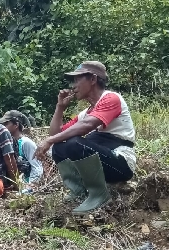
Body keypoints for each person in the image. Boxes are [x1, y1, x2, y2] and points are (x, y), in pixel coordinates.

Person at [34, 61, 136, 215]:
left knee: (74, 143)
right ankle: (78, 191)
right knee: (60, 147)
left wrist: (49, 141)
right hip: (101, 161)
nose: (73, 85)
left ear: (93, 79)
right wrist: (60, 107)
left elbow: (87, 125)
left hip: (120, 163)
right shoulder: (85, 113)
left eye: (77, 80)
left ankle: (99, 194)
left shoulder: (111, 98)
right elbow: (56, 135)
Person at [0, 110, 44, 193]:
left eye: (6, 124)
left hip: (26, 187)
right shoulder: (6, 143)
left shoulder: (26, 142)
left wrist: (30, 187)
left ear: (16, 125)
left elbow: (37, 168)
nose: (3, 127)